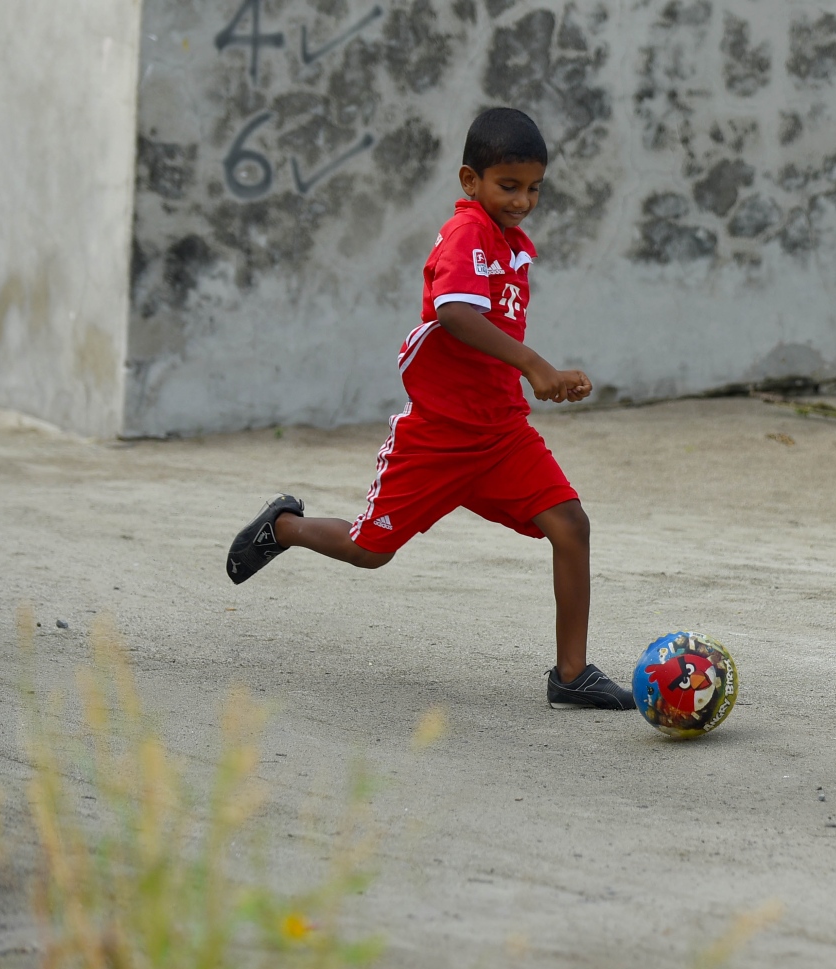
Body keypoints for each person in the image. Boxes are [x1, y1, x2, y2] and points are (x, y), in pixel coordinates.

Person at [224, 107, 634, 711]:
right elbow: (454, 314)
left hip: (501, 434)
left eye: (535, 188)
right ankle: (283, 526)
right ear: (471, 180)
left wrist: (538, 377)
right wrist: (535, 365)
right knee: (369, 551)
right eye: (509, 185)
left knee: (571, 526)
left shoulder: (512, 246)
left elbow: (491, 337)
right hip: (439, 438)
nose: (523, 201)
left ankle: (571, 675)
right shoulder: (467, 233)